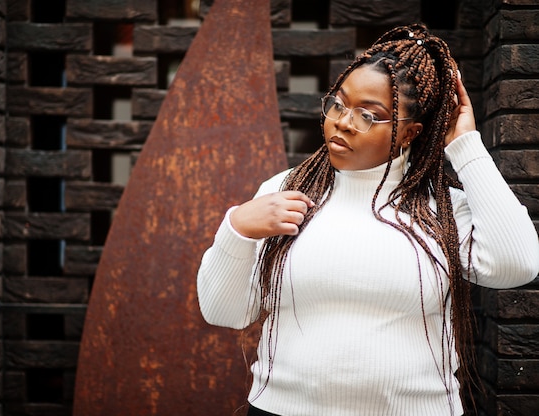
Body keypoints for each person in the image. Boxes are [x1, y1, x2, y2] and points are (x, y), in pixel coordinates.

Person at [196, 23, 539, 416]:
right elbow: (223, 312)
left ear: (410, 133)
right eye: (338, 104)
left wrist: (464, 145)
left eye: (367, 115)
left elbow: (517, 264)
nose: (342, 121)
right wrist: (236, 228)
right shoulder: (286, 191)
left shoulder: (442, 209)